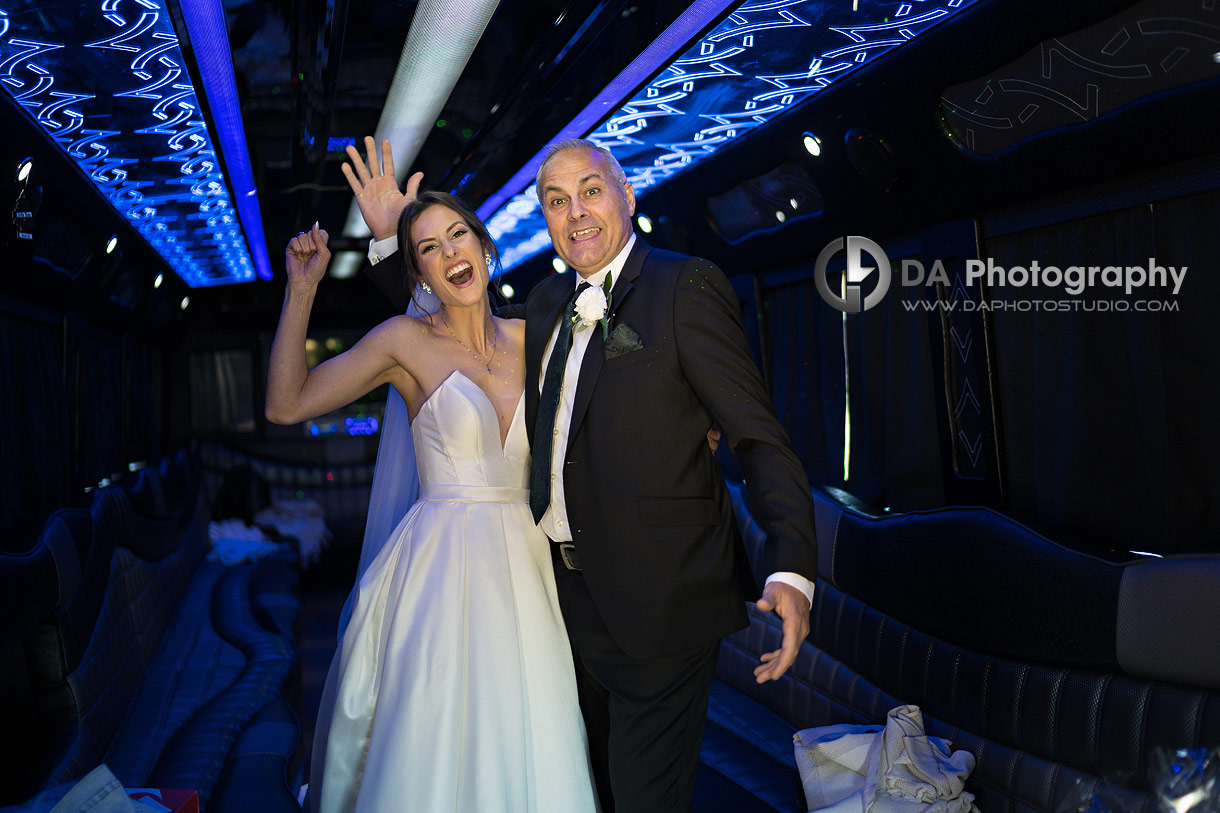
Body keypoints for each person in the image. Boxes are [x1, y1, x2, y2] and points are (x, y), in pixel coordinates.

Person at [358, 136, 819, 812]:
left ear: (627, 195)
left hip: (666, 601)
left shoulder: (684, 287)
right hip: (566, 604)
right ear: (543, 220)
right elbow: (447, 327)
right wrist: (394, 241)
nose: (575, 213)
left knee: (640, 798)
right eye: (556, 201)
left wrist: (791, 569)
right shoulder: (544, 304)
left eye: (591, 191)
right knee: (591, 791)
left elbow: (756, 434)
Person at [265, 173, 597, 810]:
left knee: (532, 723)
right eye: (429, 249)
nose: (450, 255)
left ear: (483, 243)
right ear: (417, 272)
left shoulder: (539, 339)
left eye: (458, 236)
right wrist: (301, 291)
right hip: (439, 569)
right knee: (435, 730)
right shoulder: (403, 343)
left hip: (530, 566)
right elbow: (286, 405)